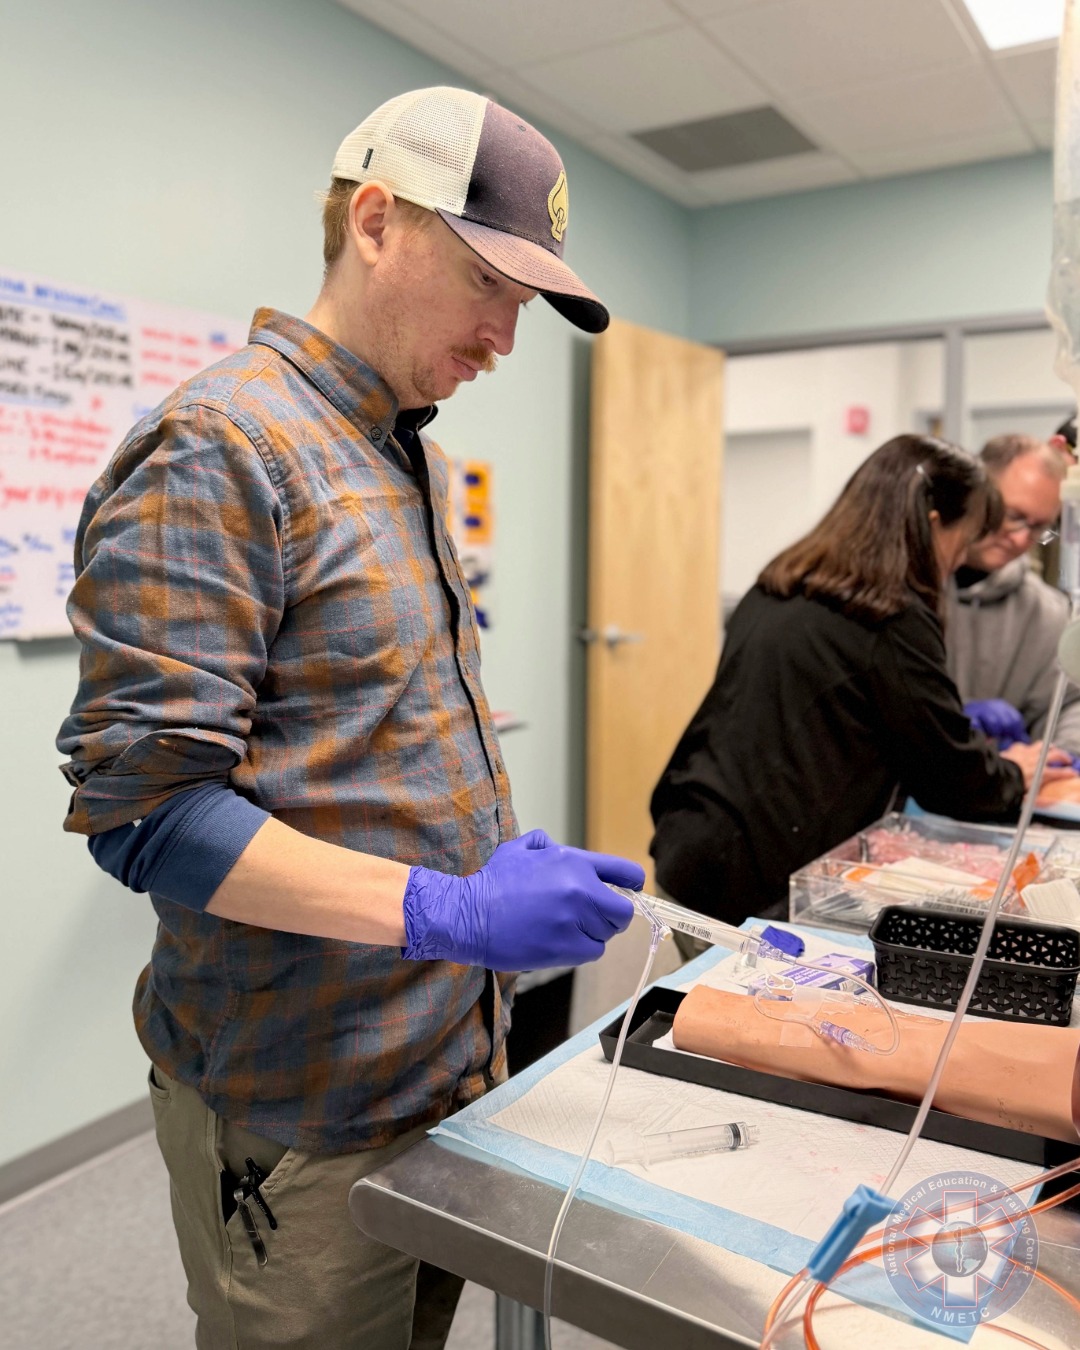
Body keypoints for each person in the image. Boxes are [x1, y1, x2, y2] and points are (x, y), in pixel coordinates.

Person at [56, 87, 642, 1350]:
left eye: (527, 303)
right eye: (489, 283)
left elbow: (362, 742)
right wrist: (451, 909)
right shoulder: (222, 445)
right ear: (376, 221)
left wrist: (484, 862)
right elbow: (147, 815)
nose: (505, 336)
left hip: (439, 1063)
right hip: (300, 1099)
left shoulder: (401, 454)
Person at [650, 434, 1073, 927]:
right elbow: (947, 776)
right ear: (933, 523)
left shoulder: (785, 581)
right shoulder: (889, 616)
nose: (960, 557)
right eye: (967, 535)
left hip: (692, 838)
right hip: (752, 879)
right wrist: (1012, 773)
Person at [946, 433, 1080, 758]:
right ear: (976, 492)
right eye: (1014, 516)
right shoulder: (906, 589)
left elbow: (1070, 703)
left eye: (1039, 527)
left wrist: (1060, 756)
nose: (1021, 539)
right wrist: (947, 718)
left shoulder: (1047, 613)